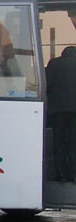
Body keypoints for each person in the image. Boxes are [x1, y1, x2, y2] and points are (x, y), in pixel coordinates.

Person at [46, 45, 76, 181]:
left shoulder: (54, 64)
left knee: (59, 143)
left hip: (57, 112)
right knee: (73, 143)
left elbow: (47, 85)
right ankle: (73, 175)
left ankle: (61, 175)